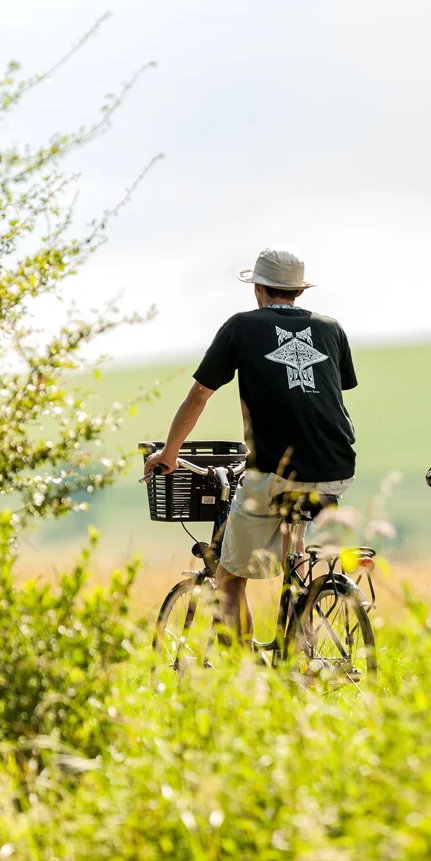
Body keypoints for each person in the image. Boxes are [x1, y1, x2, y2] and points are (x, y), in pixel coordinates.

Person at [145, 249, 359, 645]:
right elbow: (332, 391)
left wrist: (170, 452)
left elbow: (200, 395)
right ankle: (298, 644)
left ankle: (244, 678)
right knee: (292, 561)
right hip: (337, 468)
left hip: (275, 470)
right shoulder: (331, 327)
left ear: (258, 288)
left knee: (228, 575)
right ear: (298, 289)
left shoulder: (242, 327)